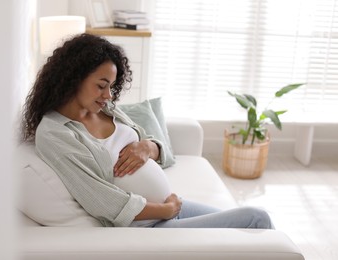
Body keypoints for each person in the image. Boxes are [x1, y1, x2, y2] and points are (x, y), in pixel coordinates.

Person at [21, 33, 274, 229]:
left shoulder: (105, 110)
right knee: (256, 218)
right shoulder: (55, 134)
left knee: (253, 227)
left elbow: (155, 145)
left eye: (111, 86)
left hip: (168, 207)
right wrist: (165, 211)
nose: (108, 95)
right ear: (73, 77)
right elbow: (100, 200)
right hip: (148, 224)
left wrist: (148, 147)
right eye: (101, 85)